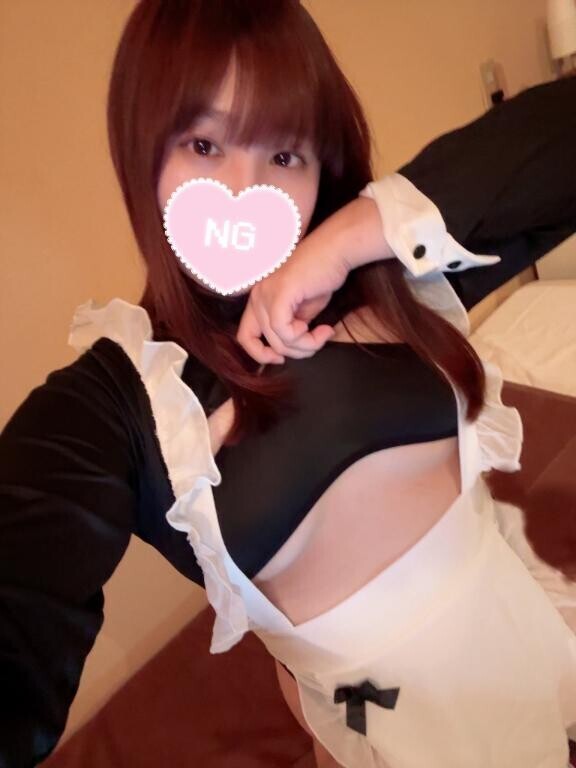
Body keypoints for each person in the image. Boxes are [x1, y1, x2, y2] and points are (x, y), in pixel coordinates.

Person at [1, 2, 575, 767]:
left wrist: (347, 240)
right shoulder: (120, 403)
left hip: (529, 631)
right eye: (204, 144)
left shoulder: (378, 270)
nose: (245, 191)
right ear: (141, 151)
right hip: (393, 739)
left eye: (284, 154)